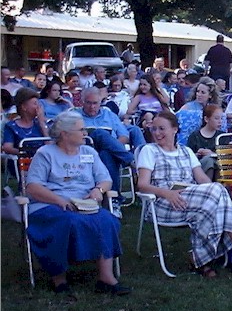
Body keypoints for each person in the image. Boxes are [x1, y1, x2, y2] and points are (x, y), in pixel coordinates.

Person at [136, 111, 232, 277]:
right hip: (163, 202)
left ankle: (200, 259)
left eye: (162, 128)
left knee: (215, 194)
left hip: (190, 200)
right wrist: (167, 194)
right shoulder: (149, 150)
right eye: (154, 129)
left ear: (174, 129)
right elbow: (142, 185)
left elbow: (202, 179)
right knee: (217, 193)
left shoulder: (186, 151)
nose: (157, 133)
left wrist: (215, 190)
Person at [25, 111, 130, 295]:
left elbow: (105, 179)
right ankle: (59, 278)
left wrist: (98, 190)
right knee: (67, 221)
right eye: (81, 130)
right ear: (65, 133)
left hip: (84, 203)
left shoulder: (89, 152)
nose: (85, 133)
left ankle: (106, 278)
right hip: (51, 203)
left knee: (107, 220)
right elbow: (33, 187)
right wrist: (59, 200)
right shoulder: (45, 154)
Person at [74, 87, 144, 211]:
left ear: (100, 102)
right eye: (88, 103)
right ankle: (131, 161)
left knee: (106, 154)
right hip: (85, 152)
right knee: (99, 133)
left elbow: (124, 136)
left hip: (108, 152)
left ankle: (113, 201)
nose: (92, 107)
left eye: (95, 103)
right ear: (82, 102)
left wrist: (111, 146)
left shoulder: (109, 114)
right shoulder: (75, 115)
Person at [2, 88, 49, 156]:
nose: (39, 107)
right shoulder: (11, 126)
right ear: (24, 107)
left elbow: (50, 145)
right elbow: (7, 147)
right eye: (35, 104)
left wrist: (42, 123)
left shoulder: (42, 125)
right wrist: (24, 153)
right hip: (23, 160)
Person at [187, 104, 224, 181]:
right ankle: (207, 185)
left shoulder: (222, 137)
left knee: (218, 163)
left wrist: (212, 154)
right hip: (199, 168)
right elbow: (188, 157)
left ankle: (221, 185)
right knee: (208, 160)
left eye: (221, 118)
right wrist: (198, 154)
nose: (220, 121)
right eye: (216, 118)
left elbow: (226, 157)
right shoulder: (194, 136)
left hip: (219, 167)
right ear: (206, 119)